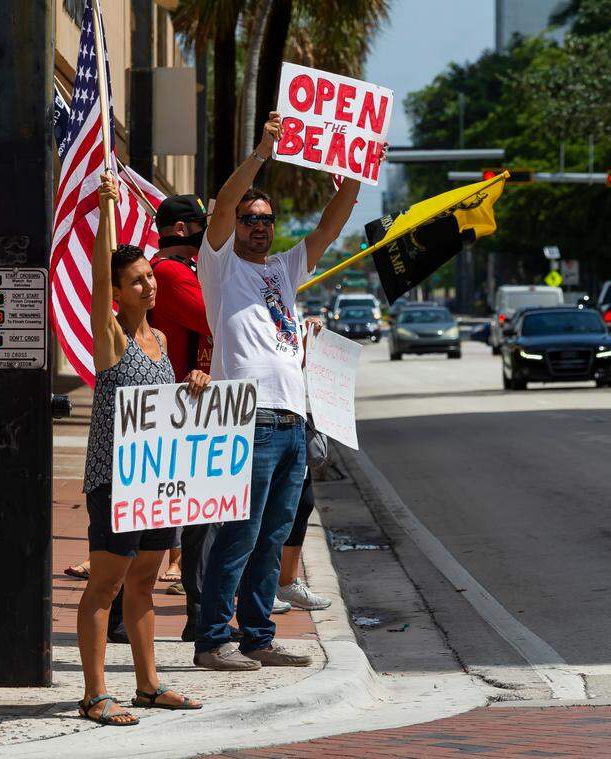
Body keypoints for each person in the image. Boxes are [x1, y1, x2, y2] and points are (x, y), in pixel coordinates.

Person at [193, 111, 363, 671]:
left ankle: (258, 636)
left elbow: (329, 229)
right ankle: (214, 639)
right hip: (249, 417)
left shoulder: (285, 270)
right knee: (239, 534)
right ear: (234, 225)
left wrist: (356, 173)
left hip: (292, 421)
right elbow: (220, 204)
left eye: (266, 219)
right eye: (250, 219)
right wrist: (264, 150)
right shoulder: (218, 267)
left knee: (272, 540)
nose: (259, 226)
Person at [76, 174, 209, 726]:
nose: (150, 287)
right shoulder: (112, 337)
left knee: (146, 581)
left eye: (150, 277)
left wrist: (194, 383)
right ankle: (93, 694)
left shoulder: (158, 342)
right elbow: (98, 282)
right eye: (137, 282)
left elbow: (161, 408)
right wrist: (107, 210)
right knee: (104, 584)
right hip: (114, 479)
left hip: (156, 480)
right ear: (117, 291)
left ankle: (149, 686)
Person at [146, 194, 220, 638]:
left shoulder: (185, 271)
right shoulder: (170, 273)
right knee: (175, 521)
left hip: (188, 406)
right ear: (180, 230)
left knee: (192, 519)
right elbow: (216, 318)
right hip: (172, 411)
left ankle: (198, 613)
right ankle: (195, 612)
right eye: (200, 224)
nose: (207, 232)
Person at [276, 316, 332, 612]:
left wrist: (308, 340)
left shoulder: (287, 312)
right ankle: (259, 584)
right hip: (266, 420)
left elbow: (294, 366)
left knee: (302, 502)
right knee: (265, 513)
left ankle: (287, 582)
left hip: (293, 416)